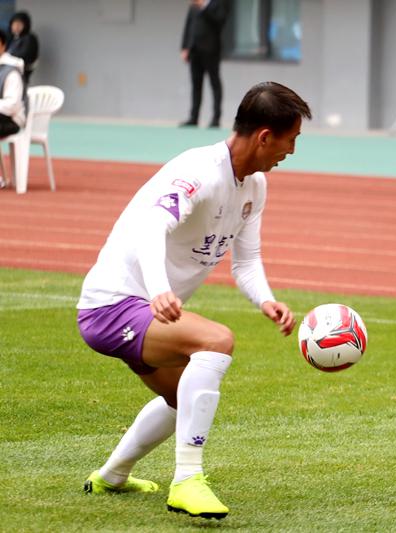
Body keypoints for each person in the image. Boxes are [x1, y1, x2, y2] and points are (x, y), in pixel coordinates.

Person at [78, 82, 311, 520]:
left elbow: (247, 260)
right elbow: (152, 227)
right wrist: (159, 288)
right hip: (110, 306)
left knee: (182, 399)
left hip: (141, 309)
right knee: (216, 341)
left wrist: (267, 300)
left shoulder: (254, 187)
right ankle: (187, 480)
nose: (292, 151)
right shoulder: (198, 171)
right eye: (291, 139)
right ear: (265, 136)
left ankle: (111, 475)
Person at [180, 0, 229, 128]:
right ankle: (193, 117)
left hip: (211, 50)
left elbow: (220, 22)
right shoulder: (193, 6)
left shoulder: (218, 4)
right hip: (194, 50)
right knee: (196, 84)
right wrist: (185, 47)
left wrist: (204, 7)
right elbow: (188, 26)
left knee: (214, 83)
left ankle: (216, 118)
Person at [7, 11, 38, 85]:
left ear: (25, 25)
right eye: (14, 24)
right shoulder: (13, 38)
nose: (16, 26)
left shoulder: (29, 38)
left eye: (19, 24)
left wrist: (8, 56)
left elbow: (25, 55)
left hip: (21, 73)